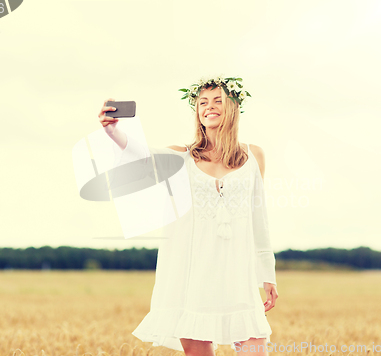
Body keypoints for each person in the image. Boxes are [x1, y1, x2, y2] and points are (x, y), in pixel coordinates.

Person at [97, 76, 278, 356]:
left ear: (234, 107)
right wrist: (113, 132)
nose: (209, 107)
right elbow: (142, 156)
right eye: (202, 102)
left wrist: (267, 274)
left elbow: (260, 218)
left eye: (218, 100)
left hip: (238, 276)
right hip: (192, 278)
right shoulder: (182, 157)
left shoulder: (254, 156)